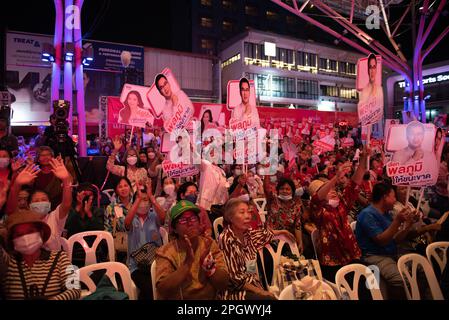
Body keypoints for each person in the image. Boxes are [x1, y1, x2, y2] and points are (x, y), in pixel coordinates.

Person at [307, 147, 368, 281]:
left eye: (332, 187)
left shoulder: (341, 205)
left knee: (367, 284)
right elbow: (317, 197)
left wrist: (363, 158)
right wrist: (336, 177)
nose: (332, 189)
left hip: (351, 253)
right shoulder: (317, 210)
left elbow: (354, 184)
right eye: (327, 188)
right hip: (333, 261)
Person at [218, 198, 295, 300]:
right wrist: (259, 291)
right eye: (242, 212)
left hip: (253, 283)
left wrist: (282, 231)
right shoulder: (226, 238)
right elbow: (234, 279)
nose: (248, 216)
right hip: (237, 291)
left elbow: (263, 234)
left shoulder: (247, 232)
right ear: (230, 217)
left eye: (248, 212)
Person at [355, 183, 420, 299]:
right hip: (373, 256)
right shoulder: (367, 214)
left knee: (419, 268)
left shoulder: (386, 213)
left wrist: (409, 224)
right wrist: (397, 221)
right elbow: (381, 240)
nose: (395, 200)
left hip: (391, 253)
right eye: (393, 196)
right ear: (384, 197)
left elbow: (396, 239)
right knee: (403, 281)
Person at [155, 200, 229, 299]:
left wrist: (209, 266)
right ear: (175, 229)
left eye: (193, 218)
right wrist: (187, 263)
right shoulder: (166, 252)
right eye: (183, 220)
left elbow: (223, 284)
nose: (190, 223)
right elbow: (163, 290)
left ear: (199, 223)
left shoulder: (208, 244)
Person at [0, 211, 81, 300]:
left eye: (30, 231)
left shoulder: (60, 257)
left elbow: (75, 289)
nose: (25, 237)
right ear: (12, 240)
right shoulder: (8, 263)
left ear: (41, 233)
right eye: (19, 234)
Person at [6, 159, 73, 251]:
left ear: (49, 203)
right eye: (36, 201)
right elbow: (11, 210)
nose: (40, 202)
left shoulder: (54, 217)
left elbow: (66, 204)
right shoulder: (25, 219)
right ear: (29, 205)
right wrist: (17, 184)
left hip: (53, 261)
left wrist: (66, 180)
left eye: (44, 199)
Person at [125, 180, 166, 300]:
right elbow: (127, 223)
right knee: (149, 289)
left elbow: (163, 218)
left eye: (145, 200)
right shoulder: (132, 218)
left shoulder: (154, 216)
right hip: (136, 266)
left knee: (162, 287)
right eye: (140, 200)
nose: (144, 203)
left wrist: (151, 197)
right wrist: (138, 199)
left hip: (156, 263)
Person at [264, 177, 303, 251]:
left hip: (287, 241)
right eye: (282, 189)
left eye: (288, 189)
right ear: (278, 190)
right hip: (270, 238)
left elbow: (297, 226)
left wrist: (300, 242)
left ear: (292, 191)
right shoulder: (273, 200)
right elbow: (266, 188)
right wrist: (267, 172)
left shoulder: (296, 206)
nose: (284, 191)